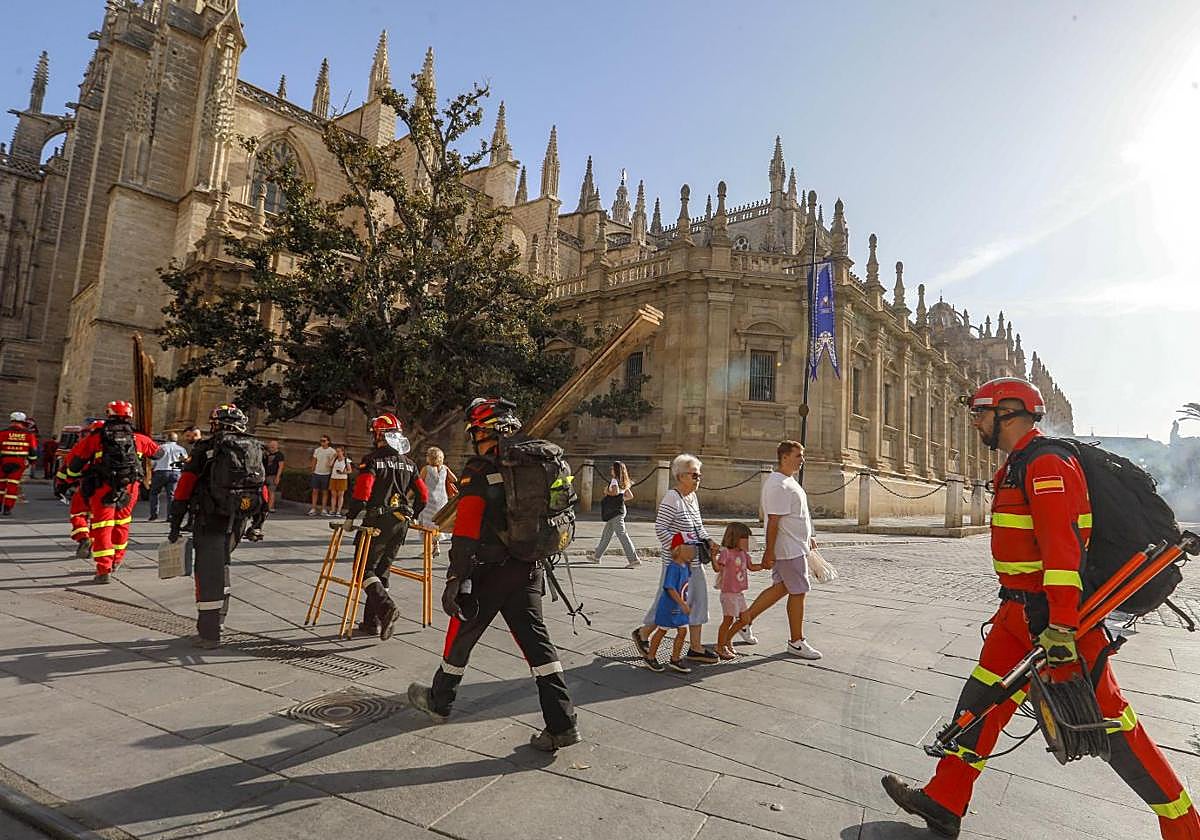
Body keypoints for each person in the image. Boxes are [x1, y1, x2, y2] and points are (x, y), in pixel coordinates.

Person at [881, 378, 1200, 840]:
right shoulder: (1018, 464)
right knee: (980, 702)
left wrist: (1063, 625)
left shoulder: (1048, 463)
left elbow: (1063, 550)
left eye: (981, 412)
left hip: (1052, 621)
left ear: (1008, 412)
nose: (974, 422)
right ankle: (946, 799)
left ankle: (1184, 825)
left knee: (1110, 723)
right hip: (1017, 617)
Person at [407, 398, 580, 752]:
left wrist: (456, 577)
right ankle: (562, 724)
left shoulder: (481, 469)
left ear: (482, 433)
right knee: (537, 645)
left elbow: (467, 529)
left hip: (489, 571)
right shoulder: (536, 461)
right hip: (529, 565)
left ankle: (440, 701)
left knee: (461, 634)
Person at [168, 404, 267, 649]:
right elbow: (262, 488)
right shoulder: (254, 447)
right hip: (238, 519)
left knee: (207, 573)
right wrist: (258, 522)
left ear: (216, 424)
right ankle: (220, 621)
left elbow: (184, 487)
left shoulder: (206, 448)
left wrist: (175, 522)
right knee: (222, 566)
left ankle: (209, 633)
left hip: (209, 517)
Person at [724, 440, 821, 660]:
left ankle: (743, 622)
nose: (802, 460)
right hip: (789, 549)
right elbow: (774, 522)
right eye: (798, 455)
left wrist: (809, 537)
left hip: (795, 545)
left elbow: (799, 515)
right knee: (798, 592)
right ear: (784, 457)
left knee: (780, 589)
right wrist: (769, 551)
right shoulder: (778, 484)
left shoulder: (789, 481)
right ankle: (796, 642)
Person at [342, 415, 427, 639]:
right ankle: (373, 623)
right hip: (402, 523)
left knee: (363, 570)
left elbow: (363, 492)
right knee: (382, 571)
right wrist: (415, 515)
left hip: (377, 523)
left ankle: (387, 608)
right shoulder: (409, 463)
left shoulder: (372, 460)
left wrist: (351, 517)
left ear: (378, 434)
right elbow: (423, 496)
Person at [631, 454, 720, 666]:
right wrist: (680, 548)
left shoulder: (692, 498)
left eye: (699, 474)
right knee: (670, 601)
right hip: (678, 563)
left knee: (698, 599)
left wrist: (708, 539)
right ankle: (643, 633)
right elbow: (660, 528)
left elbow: (698, 527)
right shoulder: (672, 498)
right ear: (680, 476)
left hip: (695, 560)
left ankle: (696, 648)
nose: (699, 478)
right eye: (694, 474)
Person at [59, 401, 158, 582]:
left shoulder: (97, 437)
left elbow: (74, 463)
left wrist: (70, 480)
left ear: (109, 414)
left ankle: (103, 569)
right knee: (122, 524)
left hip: (102, 486)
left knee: (102, 526)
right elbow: (158, 453)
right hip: (129, 487)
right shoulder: (139, 438)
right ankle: (116, 560)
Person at [644, 535, 694, 673]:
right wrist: (682, 604)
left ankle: (675, 658)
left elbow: (685, 585)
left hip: (680, 606)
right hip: (669, 607)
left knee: (683, 631)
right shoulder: (673, 567)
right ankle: (650, 656)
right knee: (661, 631)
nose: (693, 550)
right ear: (679, 549)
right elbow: (670, 588)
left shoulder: (685, 566)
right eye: (689, 547)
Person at [56, 419, 105, 560]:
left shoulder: (83, 445)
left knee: (78, 514)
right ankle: (92, 545)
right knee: (97, 518)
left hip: (84, 486)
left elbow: (68, 466)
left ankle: (84, 538)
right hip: (104, 488)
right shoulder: (112, 447)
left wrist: (62, 484)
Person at [713, 522, 761, 659]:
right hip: (728, 593)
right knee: (727, 620)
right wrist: (713, 557)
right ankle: (720, 646)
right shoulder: (726, 553)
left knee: (745, 619)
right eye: (746, 538)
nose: (749, 542)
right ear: (736, 538)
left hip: (739, 594)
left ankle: (727, 639)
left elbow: (752, 567)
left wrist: (765, 565)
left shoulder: (743, 554)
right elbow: (717, 569)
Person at [591, 460, 641, 568]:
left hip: (614, 512)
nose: (611, 470)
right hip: (620, 509)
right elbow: (630, 496)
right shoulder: (624, 481)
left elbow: (615, 492)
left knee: (622, 535)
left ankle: (634, 559)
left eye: (612, 468)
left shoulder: (614, 480)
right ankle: (596, 556)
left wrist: (606, 492)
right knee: (607, 534)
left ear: (616, 470)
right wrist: (620, 499)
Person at [0, 411, 39, 516]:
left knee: (1, 485)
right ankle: (7, 508)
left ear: (11, 420)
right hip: (19, 462)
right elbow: (33, 451)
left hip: (3, 462)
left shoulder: (3, 433)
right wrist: (31, 462)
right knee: (13, 485)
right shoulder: (29, 434)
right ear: (23, 421)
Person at [147, 432, 187, 521]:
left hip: (160, 472)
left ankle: (154, 514)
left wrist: (152, 469)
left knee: (154, 493)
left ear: (167, 438)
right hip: (175, 472)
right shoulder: (181, 449)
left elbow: (153, 461)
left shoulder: (160, 448)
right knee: (171, 495)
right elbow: (185, 461)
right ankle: (170, 515)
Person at [417, 446, 456, 537]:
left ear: (429, 458)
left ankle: (430, 545)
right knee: (439, 521)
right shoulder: (445, 468)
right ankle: (436, 545)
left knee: (428, 523)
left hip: (429, 499)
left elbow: (419, 483)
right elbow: (454, 479)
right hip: (442, 499)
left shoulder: (426, 469)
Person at [308, 435, 336, 515]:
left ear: (328, 441)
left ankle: (323, 509)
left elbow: (333, 461)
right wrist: (312, 470)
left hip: (326, 473)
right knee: (314, 491)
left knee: (325, 492)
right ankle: (313, 508)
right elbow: (314, 460)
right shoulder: (317, 450)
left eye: (324, 441)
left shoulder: (332, 451)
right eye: (321, 441)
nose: (322, 442)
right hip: (317, 472)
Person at [262, 440, 285, 512]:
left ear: (276, 446)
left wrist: (277, 477)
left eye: (273, 446)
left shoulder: (279, 455)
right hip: (266, 475)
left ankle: (270, 507)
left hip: (273, 476)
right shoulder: (268, 455)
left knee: (271, 491)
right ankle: (265, 506)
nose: (271, 448)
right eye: (270, 446)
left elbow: (281, 466)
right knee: (265, 491)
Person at [328, 445, 351, 516]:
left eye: (339, 451)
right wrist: (333, 457)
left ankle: (338, 511)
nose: (337, 453)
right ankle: (332, 510)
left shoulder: (346, 460)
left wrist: (343, 472)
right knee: (333, 495)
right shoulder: (335, 459)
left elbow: (350, 470)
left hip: (342, 479)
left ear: (342, 452)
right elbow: (330, 465)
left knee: (340, 495)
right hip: (334, 477)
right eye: (336, 451)